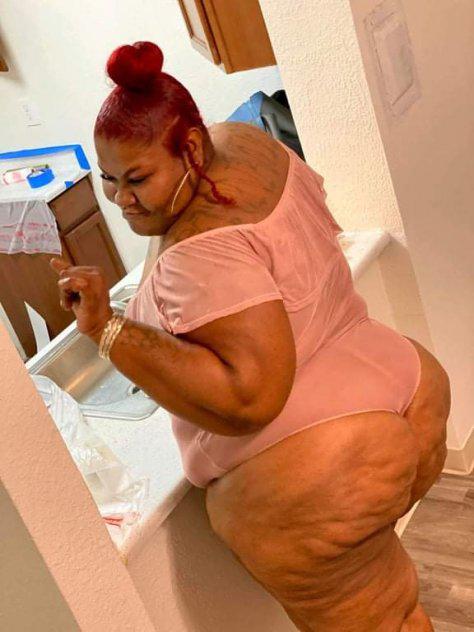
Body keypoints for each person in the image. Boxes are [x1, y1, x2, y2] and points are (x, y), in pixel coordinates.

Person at [50, 41, 451, 631]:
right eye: (109, 179)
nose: (121, 199)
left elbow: (248, 399)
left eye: (137, 178)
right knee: (395, 610)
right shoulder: (247, 144)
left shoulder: (198, 254)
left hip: (323, 465)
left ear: (190, 149)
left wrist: (104, 328)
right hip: (405, 385)